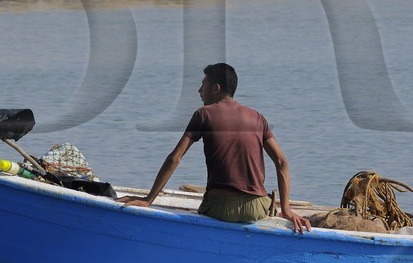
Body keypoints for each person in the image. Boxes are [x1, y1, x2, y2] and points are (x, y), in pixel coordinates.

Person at [120, 63, 311, 233]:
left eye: (203, 84)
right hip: (256, 208)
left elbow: (175, 158)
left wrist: (148, 200)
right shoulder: (258, 117)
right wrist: (286, 209)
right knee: (270, 206)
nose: (199, 90)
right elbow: (282, 161)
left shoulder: (203, 114)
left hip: (221, 208)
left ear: (216, 88)